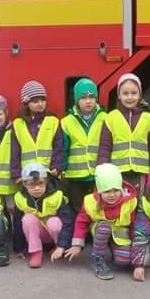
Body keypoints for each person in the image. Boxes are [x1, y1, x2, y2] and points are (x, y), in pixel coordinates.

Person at [68, 163, 150, 282]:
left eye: (116, 190)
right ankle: (97, 259)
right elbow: (81, 222)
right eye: (107, 191)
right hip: (99, 230)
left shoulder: (130, 201)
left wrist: (138, 259)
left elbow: (135, 227)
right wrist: (77, 244)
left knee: (124, 260)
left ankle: (115, 250)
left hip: (119, 233)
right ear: (99, 191)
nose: (112, 195)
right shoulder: (90, 201)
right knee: (104, 227)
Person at [97, 73, 150, 196]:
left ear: (139, 95)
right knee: (120, 202)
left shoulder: (149, 119)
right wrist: (102, 171)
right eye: (125, 93)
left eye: (133, 93)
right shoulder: (110, 118)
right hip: (117, 173)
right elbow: (105, 148)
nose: (129, 97)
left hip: (141, 172)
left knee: (140, 202)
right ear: (119, 95)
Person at [11, 162, 75, 269]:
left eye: (40, 183)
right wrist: (19, 248)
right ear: (25, 184)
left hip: (54, 235)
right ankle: (36, 252)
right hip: (36, 236)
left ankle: (57, 247)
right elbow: (17, 224)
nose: (37, 188)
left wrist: (62, 245)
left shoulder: (57, 195)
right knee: (27, 219)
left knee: (54, 222)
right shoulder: (20, 198)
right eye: (32, 184)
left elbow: (68, 222)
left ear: (46, 181)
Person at [60, 78, 106, 211]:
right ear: (76, 100)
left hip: (97, 174)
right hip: (75, 176)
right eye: (83, 97)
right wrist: (61, 169)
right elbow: (64, 148)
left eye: (92, 97)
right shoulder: (66, 121)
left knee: (98, 206)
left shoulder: (105, 118)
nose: (88, 101)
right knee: (78, 207)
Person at [12, 80, 63, 182]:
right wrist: (16, 174)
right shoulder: (18, 123)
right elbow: (15, 152)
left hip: (48, 174)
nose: (40, 104)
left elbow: (58, 147)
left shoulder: (52, 121)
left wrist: (56, 166)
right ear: (26, 103)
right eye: (35, 101)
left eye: (43, 100)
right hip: (27, 175)